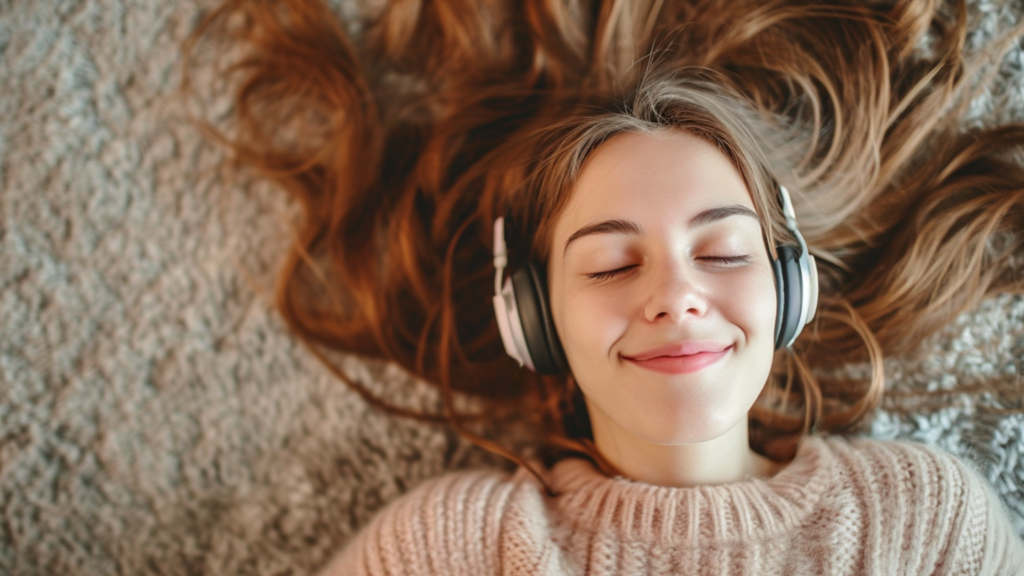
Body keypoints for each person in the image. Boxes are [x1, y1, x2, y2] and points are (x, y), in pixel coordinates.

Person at [185, 0, 1024, 573]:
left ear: (790, 282)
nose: (677, 295)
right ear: (531, 317)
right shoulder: (449, 547)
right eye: (614, 264)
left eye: (725, 251)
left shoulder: (917, 517)